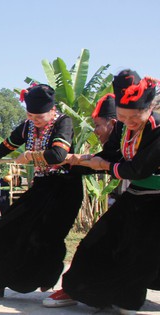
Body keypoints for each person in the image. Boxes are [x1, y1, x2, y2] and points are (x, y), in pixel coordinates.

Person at [44, 70, 160, 314]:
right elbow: (113, 156)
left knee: (140, 251)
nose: (129, 122)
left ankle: (128, 299)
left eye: (135, 117)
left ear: (149, 108)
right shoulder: (123, 128)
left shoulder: (157, 128)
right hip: (136, 197)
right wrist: (80, 160)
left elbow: (136, 169)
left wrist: (103, 165)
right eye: (122, 116)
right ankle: (78, 288)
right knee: (96, 242)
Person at [0, 83, 83, 299]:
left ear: (52, 110)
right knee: (3, 229)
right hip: (42, 185)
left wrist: (32, 155)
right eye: (30, 115)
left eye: (38, 116)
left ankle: (47, 278)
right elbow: (3, 148)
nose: (34, 120)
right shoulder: (27, 127)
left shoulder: (64, 122)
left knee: (48, 235)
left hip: (65, 188)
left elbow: (59, 155)